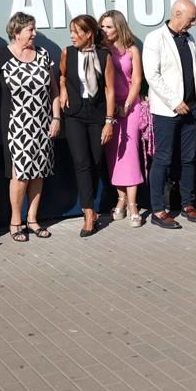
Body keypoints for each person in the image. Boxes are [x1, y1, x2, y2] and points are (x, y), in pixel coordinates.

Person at [142, 0, 196, 229]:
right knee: (163, 159)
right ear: (178, 13)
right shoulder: (155, 38)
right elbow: (152, 75)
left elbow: (194, 73)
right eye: (191, 19)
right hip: (168, 110)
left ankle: (187, 204)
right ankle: (158, 210)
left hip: (191, 108)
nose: (194, 23)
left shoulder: (189, 39)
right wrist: (175, 101)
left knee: (189, 159)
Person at [0, 13, 59, 242]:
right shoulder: (3, 56)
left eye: (34, 30)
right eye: (30, 30)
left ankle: (33, 219)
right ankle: (16, 221)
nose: (34, 34)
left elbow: (53, 89)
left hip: (42, 122)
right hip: (17, 123)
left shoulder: (43, 54)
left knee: (39, 171)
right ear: (16, 33)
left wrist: (56, 118)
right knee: (20, 174)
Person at [55, 15, 113, 236]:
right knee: (81, 162)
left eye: (76, 32)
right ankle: (88, 212)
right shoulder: (67, 53)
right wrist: (62, 89)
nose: (72, 36)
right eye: (71, 31)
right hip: (75, 114)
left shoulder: (103, 55)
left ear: (88, 33)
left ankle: (95, 206)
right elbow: (62, 75)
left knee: (96, 161)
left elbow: (109, 89)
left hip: (97, 114)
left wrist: (109, 121)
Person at [98, 11, 148, 227]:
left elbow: (137, 81)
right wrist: (114, 109)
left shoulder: (132, 50)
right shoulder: (101, 50)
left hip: (131, 106)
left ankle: (134, 205)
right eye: (102, 27)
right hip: (109, 109)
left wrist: (126, 106)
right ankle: (121, 200)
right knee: (114, 156)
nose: (104, 30)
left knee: (130, 156)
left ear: (119, 27)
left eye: (108, 26)